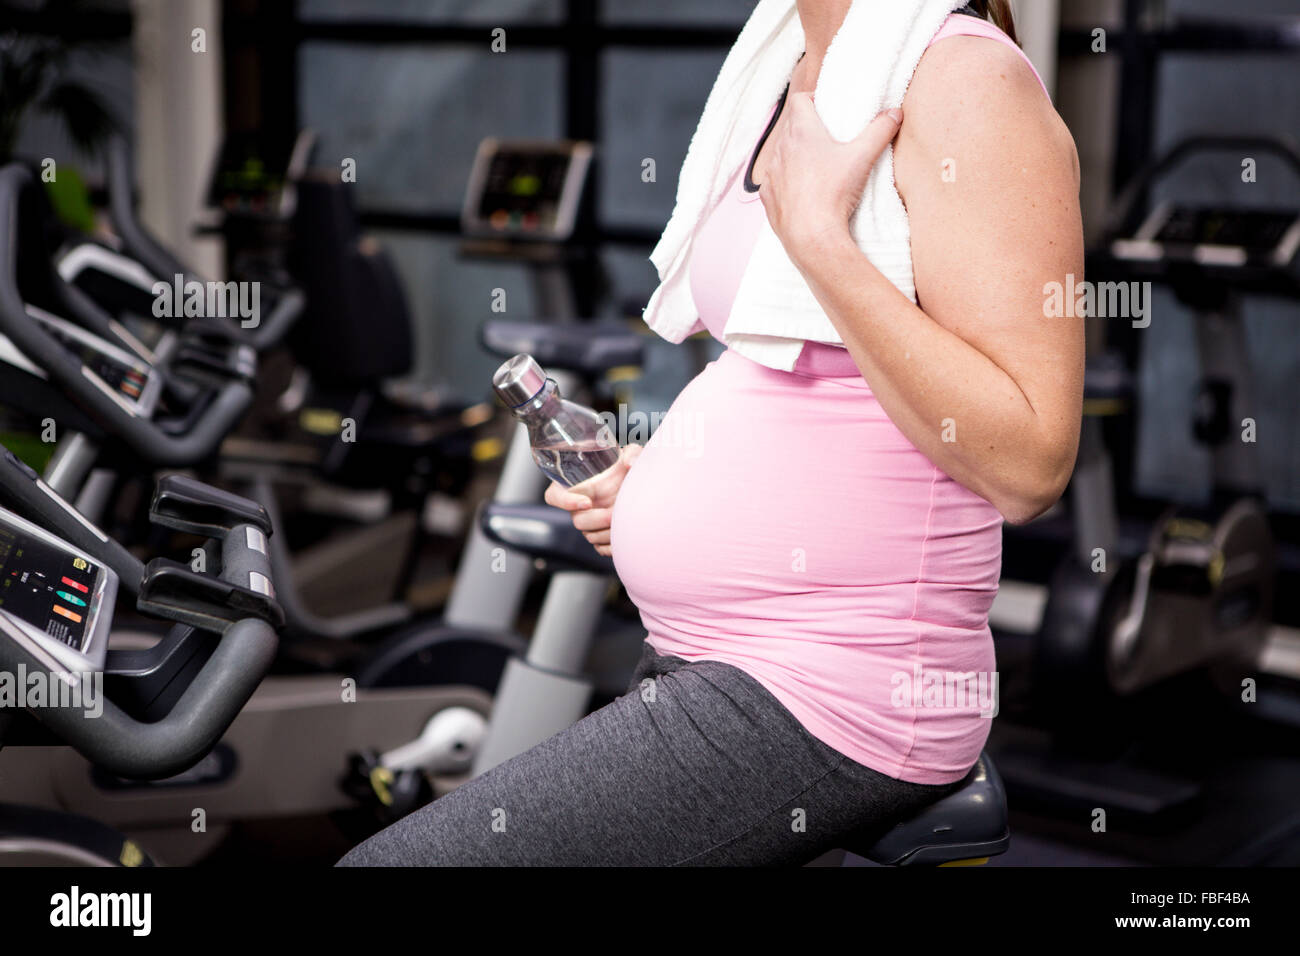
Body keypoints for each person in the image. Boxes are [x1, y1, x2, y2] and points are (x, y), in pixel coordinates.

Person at [338, 0, 1083, 867]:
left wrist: (818, 237)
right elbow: (804, 377)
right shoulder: (799, 62)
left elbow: (1032, 460)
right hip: (722, 657)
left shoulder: (967, 82)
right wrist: (658, 480)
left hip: (836, 687)